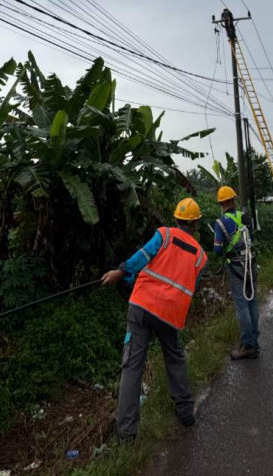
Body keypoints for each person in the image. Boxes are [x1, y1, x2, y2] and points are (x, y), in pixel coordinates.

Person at [102, 198, 207, 439]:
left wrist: (120, 272)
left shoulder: (165, 234)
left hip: (141, 307)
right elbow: (192, 286)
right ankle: (186, 413)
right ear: (196, 223)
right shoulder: (201, 256)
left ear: (176, 219)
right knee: (175, 359)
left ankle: (127, 433)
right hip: (170, 316)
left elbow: (142, 257)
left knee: (132, 367)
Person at [213, 186, 259, 360]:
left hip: (236, 267)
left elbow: (217, 249)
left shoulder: (220, 223)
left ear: (221, 203)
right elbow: (252, 239)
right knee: (252, 301)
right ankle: (254, 340)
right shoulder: (244, 217)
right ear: (233, 200)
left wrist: (224, 247)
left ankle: (248, 345)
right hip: (251, 263)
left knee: (242, 305)